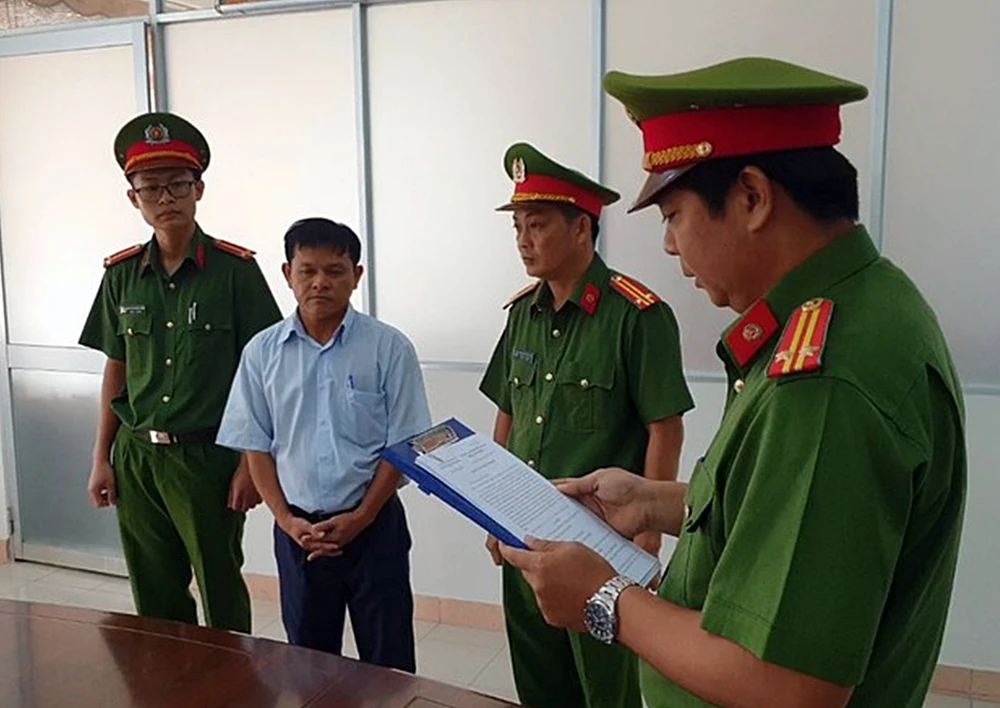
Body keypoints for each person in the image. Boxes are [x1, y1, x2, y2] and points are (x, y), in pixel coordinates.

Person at [499, 57, 967, 708]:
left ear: (752, 197)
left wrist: (605, 597)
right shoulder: (868, 305)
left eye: (673, 214)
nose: (669, 245)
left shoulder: (826, 379)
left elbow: (789, 686)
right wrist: (653, 502)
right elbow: (782, 509)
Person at [479, 142, 694, 708]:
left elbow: (665, 428)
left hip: (601, 547)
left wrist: (647, 537)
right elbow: (507, 412)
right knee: (539, 682)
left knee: (604, 690)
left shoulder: (637, 315)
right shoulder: (522, 314)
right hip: (525, 536)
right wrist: (492, 509)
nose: (523, 240)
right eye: (518, 226)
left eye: (537, 224)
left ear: (581, 228)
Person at [80, 112, 283, 633]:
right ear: (134, 198)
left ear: (199, 190)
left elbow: (263, 375)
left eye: (178, 184)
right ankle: (165, 676)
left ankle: (230, 676)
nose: (165, 198)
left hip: (208, 458)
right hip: (137, 456)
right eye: (151, 188)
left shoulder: (236, 272)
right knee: (154, 591)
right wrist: (102, 458)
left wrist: (250, 465)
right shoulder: (121, 275)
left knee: (220, 587)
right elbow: (116, 369)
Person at [215, 217, 431, 672]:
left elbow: (404, 443)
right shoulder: (262, 352)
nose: (320, 283)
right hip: (299, 533)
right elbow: (255, 445)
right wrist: (286, 520)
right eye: (307, 270)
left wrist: (362, 516)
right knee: (309, 663)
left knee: (389, 662)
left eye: (335, 271)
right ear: (287, 274)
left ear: (357, 275)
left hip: (374, 527)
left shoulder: (389, 348)